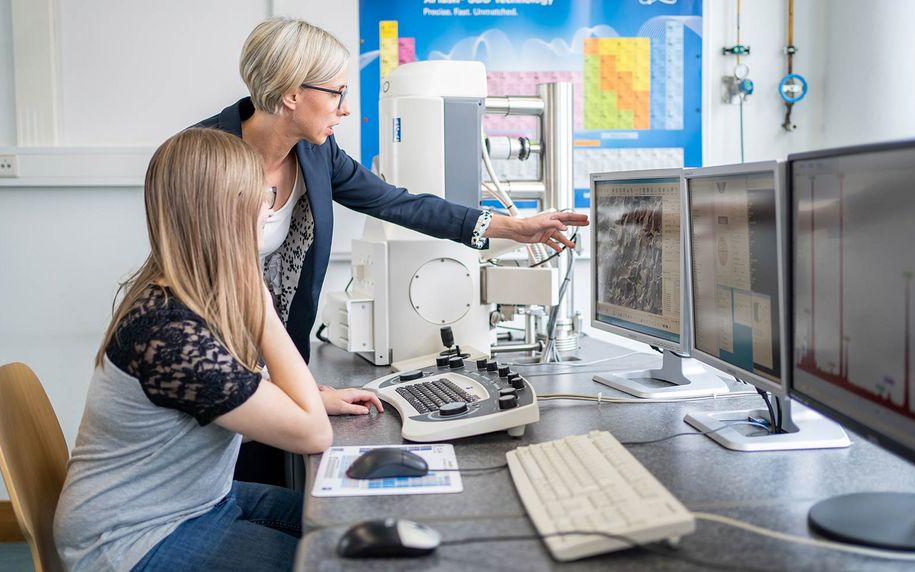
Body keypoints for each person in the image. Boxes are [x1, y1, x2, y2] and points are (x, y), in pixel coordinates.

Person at [196, 16, 589, 486]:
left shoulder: (318, 153)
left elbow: (395, 202)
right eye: (337, 92)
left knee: (272, 488)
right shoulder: (201, 156)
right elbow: (187, 280)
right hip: (211, 358)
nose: (345, 108)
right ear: (292, 94)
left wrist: (511, 227)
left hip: (282, 358)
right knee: (222, 485)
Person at [53, 128, 383, 571]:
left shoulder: (185, 294)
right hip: (132, 538)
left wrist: (318, 399)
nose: (269, 206)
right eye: (260, 196)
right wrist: (262, 305)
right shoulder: (168, 332)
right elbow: (312, 434)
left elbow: (229, 387)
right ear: (225, 214)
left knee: (351, 525)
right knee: (335, 561)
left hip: (198, 500)